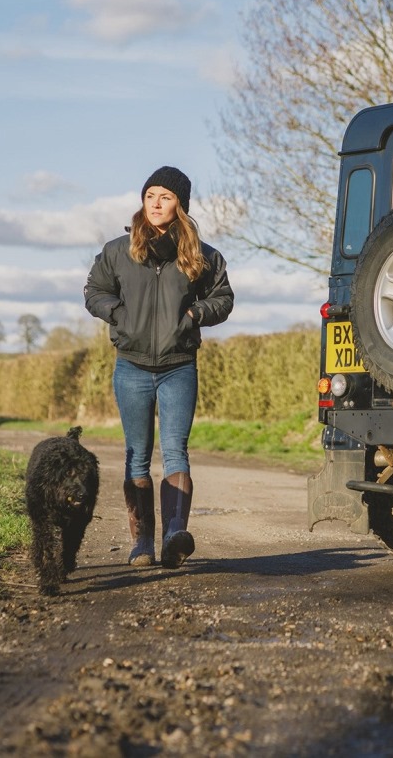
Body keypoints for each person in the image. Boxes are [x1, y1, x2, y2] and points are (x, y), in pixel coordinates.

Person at [84, 166, 234, 569]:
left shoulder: (202, 255)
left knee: (175, 452)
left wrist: (195, 312)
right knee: (136, 456)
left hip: (178, 367)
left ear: (179, 205)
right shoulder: (118, 251)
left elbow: (223, 298)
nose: (155, 203)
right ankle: (141, 545)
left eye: (165, 197)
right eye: (150, 195)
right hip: (130, 367)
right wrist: (116, 312)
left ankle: (174, 536)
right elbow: (94, 290)